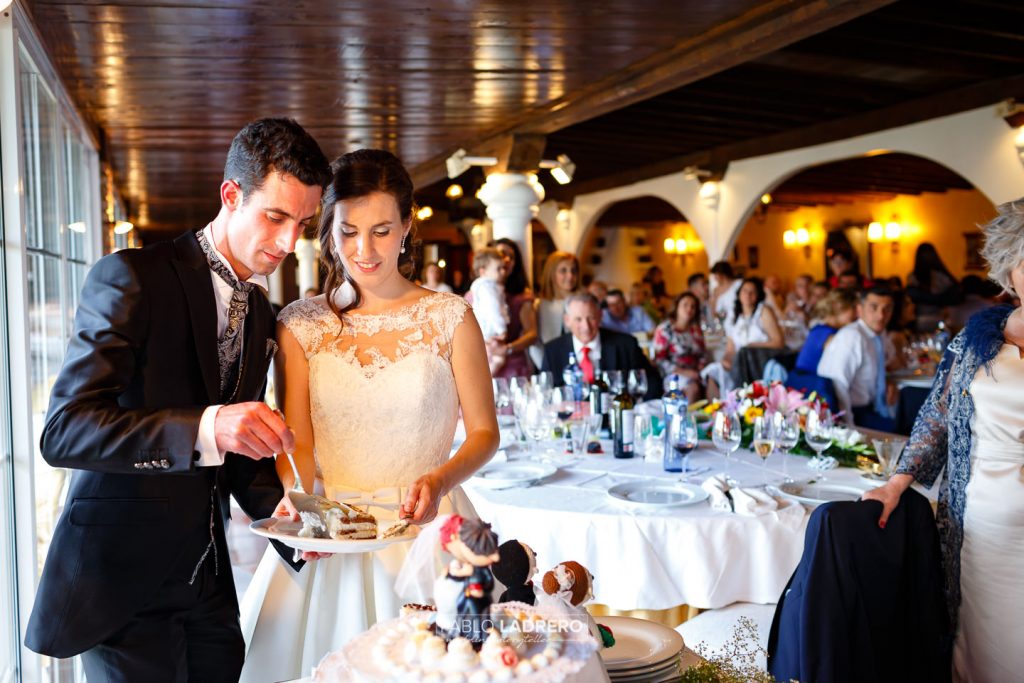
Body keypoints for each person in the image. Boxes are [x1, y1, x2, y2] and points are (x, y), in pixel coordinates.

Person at [24, 118, 331, 682]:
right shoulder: (132, 278)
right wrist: (208, 427)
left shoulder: (262, 312)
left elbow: (239, 447)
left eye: (303, 223)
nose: (290, 242)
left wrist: (282, 518)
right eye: (276, 216)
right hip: (123, 587)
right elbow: (65, 430)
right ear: (231, 195)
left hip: (210, 586)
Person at [239, 149, 499, 681]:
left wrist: (441, 476)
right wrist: (296, 495)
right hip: (330, 535)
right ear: (328, 230)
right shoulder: (298, 324)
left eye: (381, 230)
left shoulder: (451, 317)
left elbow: (484, 433)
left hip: (424, 534)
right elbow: (299, 440)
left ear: (407, 225)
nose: (364, 249)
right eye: (348, 230)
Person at [864, 198, 1024, 682]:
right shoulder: (979, 338)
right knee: (982, 646)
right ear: (1009, 271)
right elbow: (935, 415)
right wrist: (897, 482)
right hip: (978, 527)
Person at [541, 292, 661, 401]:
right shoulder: (552, 351)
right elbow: (545, 393)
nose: (586, 326)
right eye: (578, 319)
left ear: (600, 316)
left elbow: (652, 384)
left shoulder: (626, 345)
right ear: (567, 321)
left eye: (591, 318)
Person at [816, 287, 897, 431]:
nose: (881, 315)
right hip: (854, 414)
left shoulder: (879, 335)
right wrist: (848, 429)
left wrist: (888, 381)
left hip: (875, 408)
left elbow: (889, 362)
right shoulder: (851, 337)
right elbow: (837, 387)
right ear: (860, 309)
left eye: (887, 309)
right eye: (874, 307)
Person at [701, 277, 784, 396]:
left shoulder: (763, 311)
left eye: (752, 292)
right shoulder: (734, 317)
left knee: (743, 356)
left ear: (757, 295)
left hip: (759, 362)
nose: (748, 295)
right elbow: (730, 349)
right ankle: (716, 409)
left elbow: (778, 342)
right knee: (715, 371)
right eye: (745, 291)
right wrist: (727, 361)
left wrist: (752, 346)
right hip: (739, 361)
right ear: (739, 294)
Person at [486, 238, 538, 377]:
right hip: (483, 361)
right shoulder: (476, 292)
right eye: (502, 254)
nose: (507, 259)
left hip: (513, 365)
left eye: (512, 257)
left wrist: (507, 349)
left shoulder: (521, 297)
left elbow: (532, 334)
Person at [652, 292, 706, 402]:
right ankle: (687, 418)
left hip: (695, 373)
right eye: (685, 305)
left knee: (713, 379)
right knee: (693, 388)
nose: (689, 309)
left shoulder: (696, 330)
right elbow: (659, 360)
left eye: (693, 306)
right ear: (676, 307)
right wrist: (685, 372)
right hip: (673, 375)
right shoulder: (665, 329)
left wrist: (699, 370)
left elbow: (702, 354)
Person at [531, 250, 580, 369]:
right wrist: (545, 367)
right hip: (549, 364)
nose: (570, 276)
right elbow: (535, 343)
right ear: (552, 274)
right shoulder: (540, 305)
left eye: (573, 271)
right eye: (563, 271)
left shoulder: (583, 302)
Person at [793, 288, 858, 374]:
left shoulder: (820, 328)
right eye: (853, 308)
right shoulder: (829, 336)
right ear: (838, 307)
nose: (857, 314)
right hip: (812, 384)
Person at [468, 247, 511, 375]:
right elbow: (494, 310)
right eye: (498, 269)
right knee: (497, 359)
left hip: (486, 330)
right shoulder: (488, 288)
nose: (503, 272)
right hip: (490, 329)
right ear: (483, 272)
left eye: (503, 267)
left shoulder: (484, 286)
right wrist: (501, 329)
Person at [906, 242, 962, 333]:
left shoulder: (940, 277)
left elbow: (956, 296)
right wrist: (939, 299)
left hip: (936, 320)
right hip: (925, 321)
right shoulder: (914, 277)